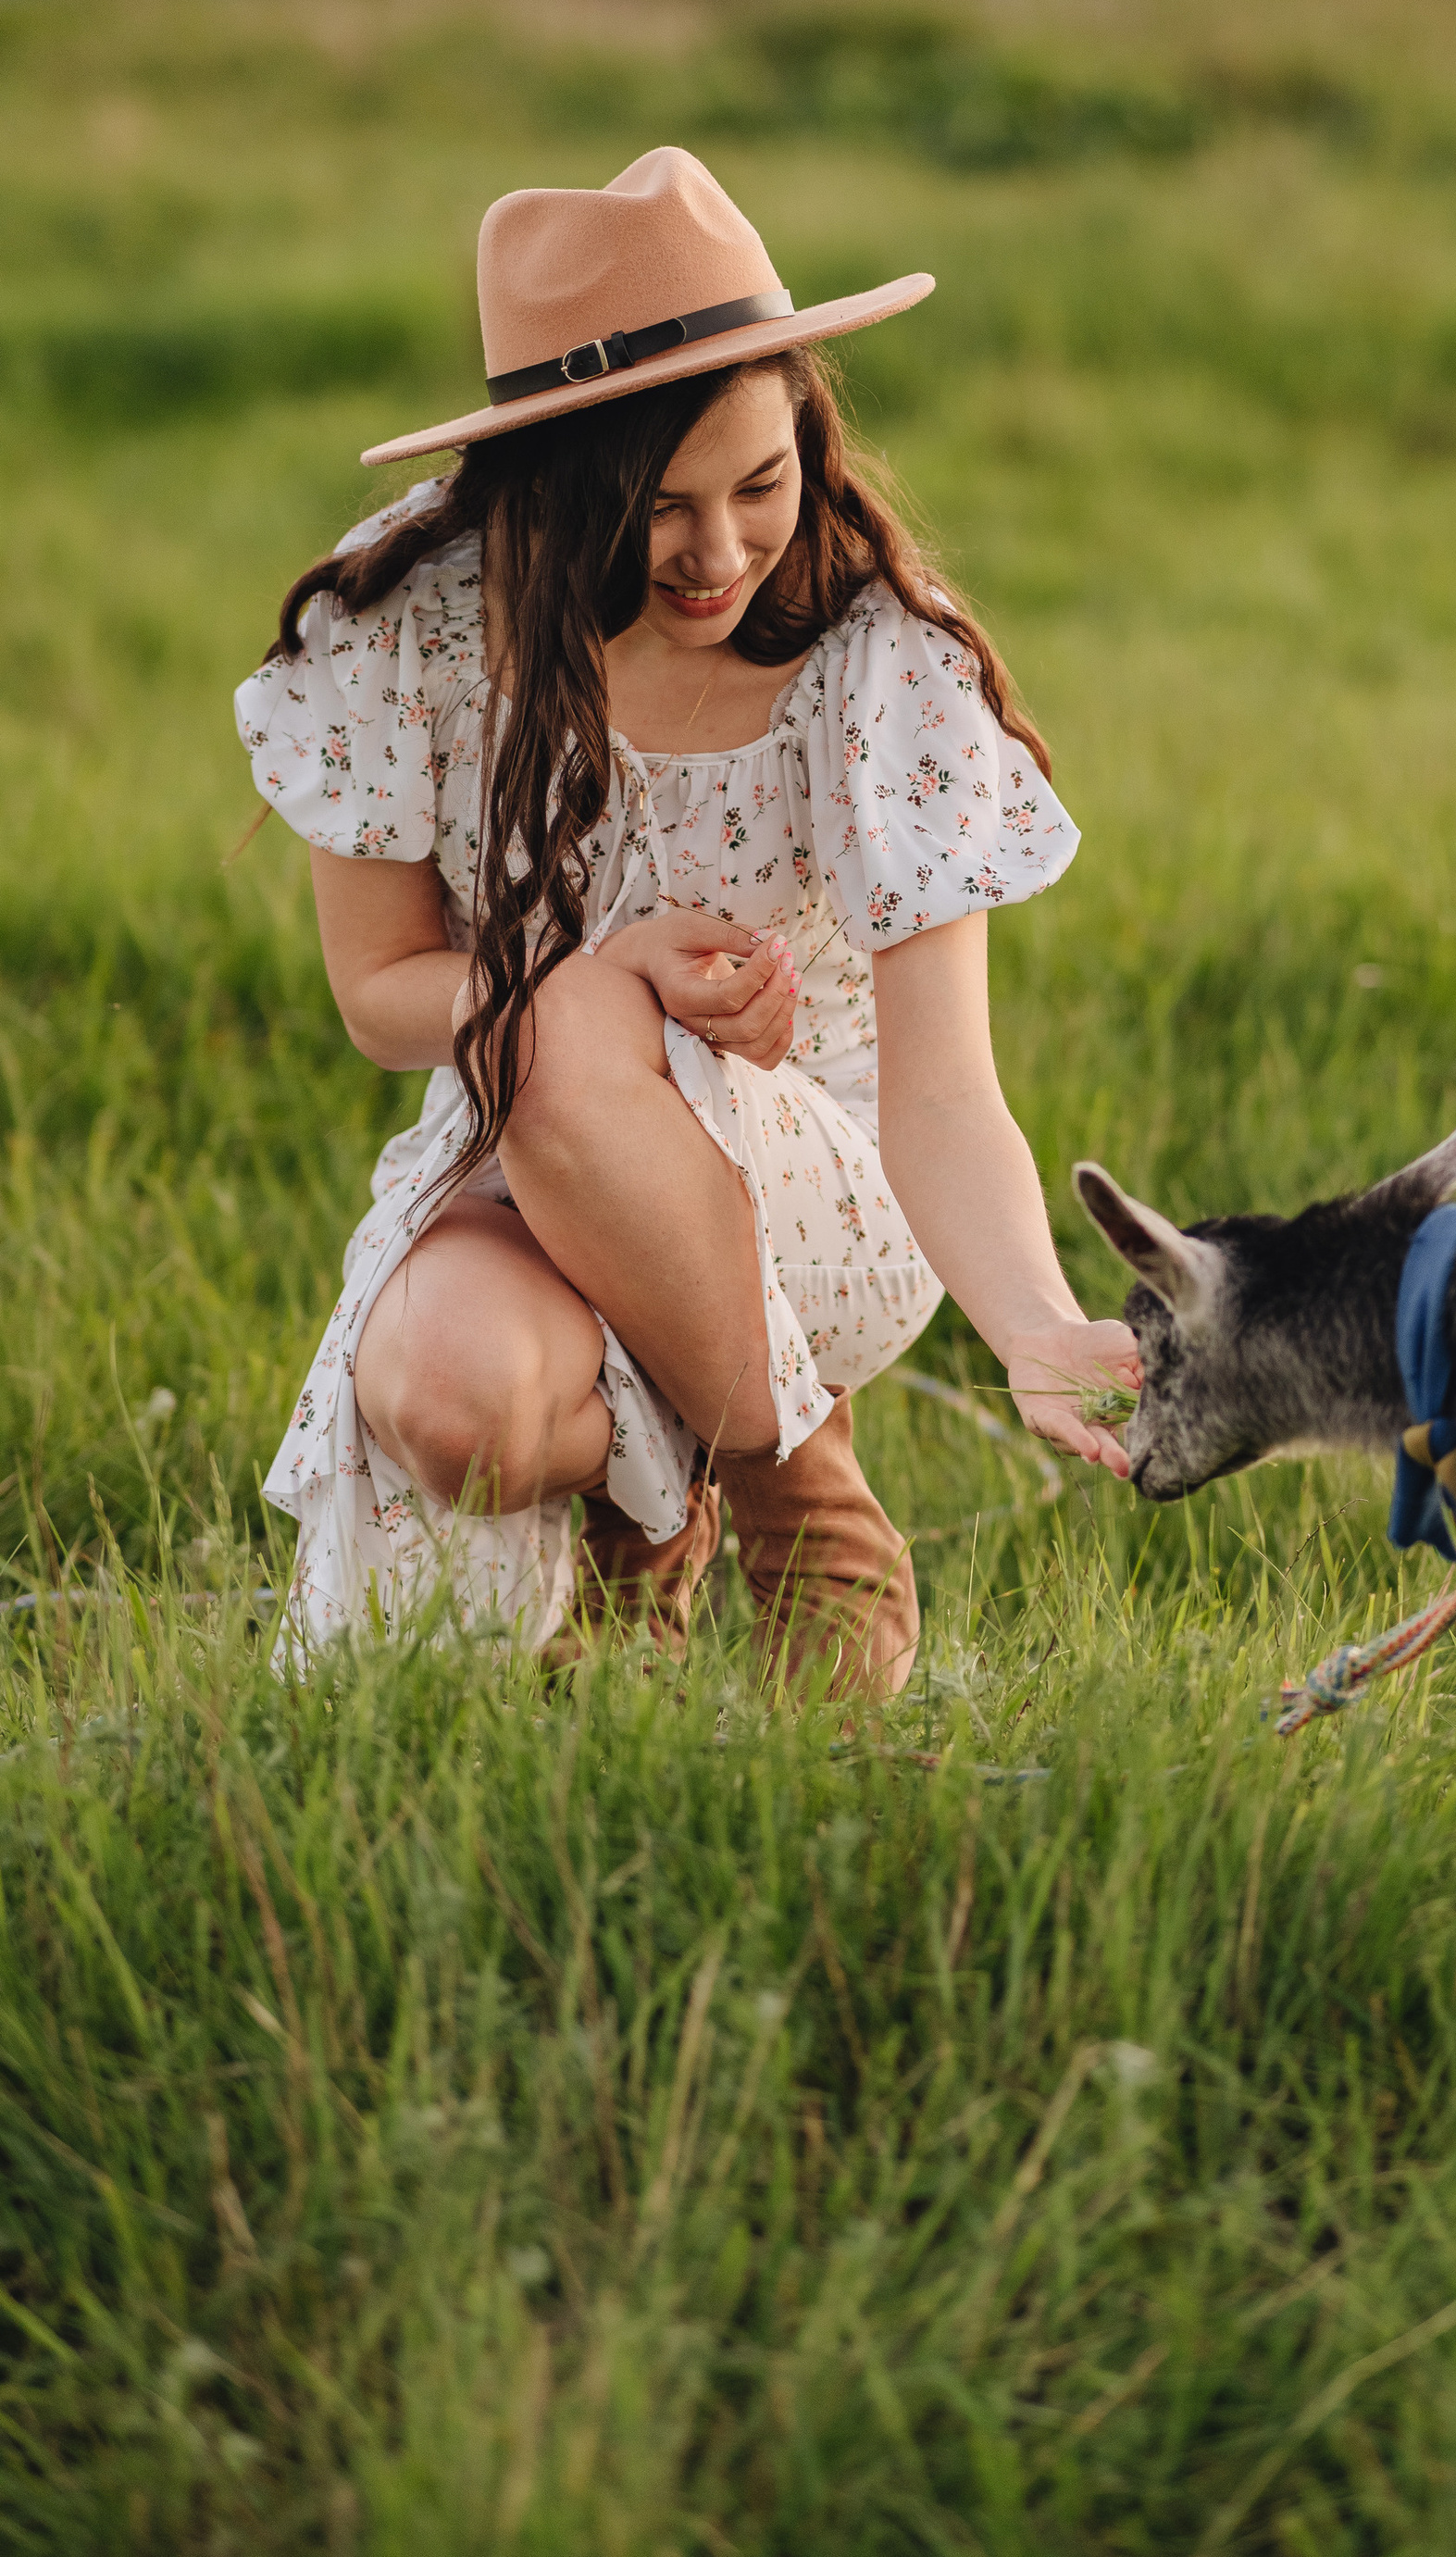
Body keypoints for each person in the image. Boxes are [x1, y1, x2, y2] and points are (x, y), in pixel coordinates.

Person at [234, 143, 1139, 1690]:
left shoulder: (871, 658)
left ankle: (805, 1509)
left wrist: (1038, 1323)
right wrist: (591, 982)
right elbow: (381, 990)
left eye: (761, 486)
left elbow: (941, 1089)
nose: (720, 554)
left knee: (568, 1024)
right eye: (658, 510)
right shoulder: (407, 626)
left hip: (815, 1198)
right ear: (549, 486)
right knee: (446, 1395)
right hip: (523, 1151)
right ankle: (641, 1538)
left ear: (809, 439)